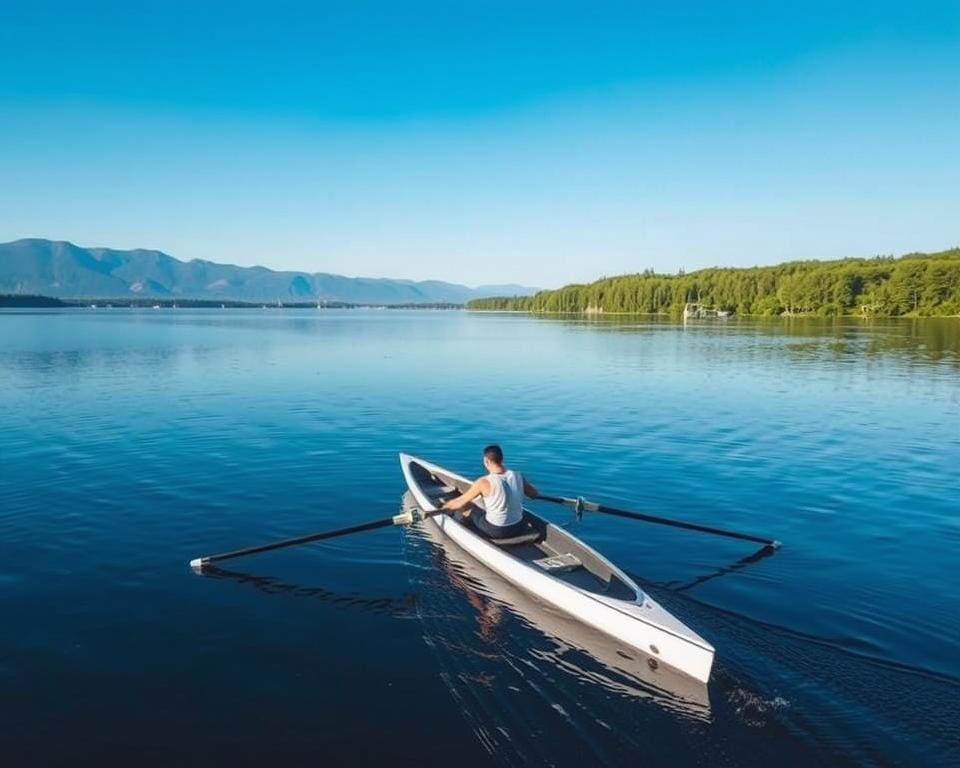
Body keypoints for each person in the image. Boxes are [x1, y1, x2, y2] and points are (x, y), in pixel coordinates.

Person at [439, 444, 538, 538]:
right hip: (518, 527)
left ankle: (465, 527)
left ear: (486, 461)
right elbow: (533, 495)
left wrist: (444, 507)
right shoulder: (518, 475)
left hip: (497, 530)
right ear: (501, 459)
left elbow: (459, 502)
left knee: (468, 506)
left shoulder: (483, 482)